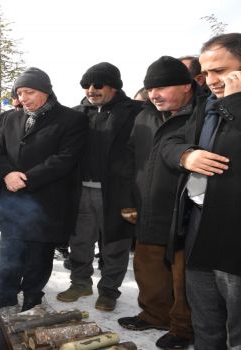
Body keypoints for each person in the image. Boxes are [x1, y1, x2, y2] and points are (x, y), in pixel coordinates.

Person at [160, 33, 241, 349]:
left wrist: (234, 103)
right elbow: (168, 142)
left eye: (220, 71)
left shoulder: (227, 104)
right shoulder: (206, 105)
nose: (211, 81)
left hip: (234, 239)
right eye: (206, 73)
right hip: (197, 229)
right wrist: (186, 155)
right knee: (206, 325)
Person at [0, 68, 88, 311]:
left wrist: (26, 178)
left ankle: (33, 296)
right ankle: (6, 292)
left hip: (47, 200)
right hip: (11, 199)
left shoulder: (71, 119)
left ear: (46, 91)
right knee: (9, 251)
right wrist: (6, 174)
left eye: (29, 92)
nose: (23, 98)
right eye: (20, 93)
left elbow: (66, 158)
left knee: (39, 254)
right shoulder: (7, 118)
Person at [118, 56, 195, 349]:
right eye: (151, 88)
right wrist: (129, 199)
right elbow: (128, 159)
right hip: (147, 205)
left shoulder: (202, 114)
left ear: (187, 86)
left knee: (182, 275)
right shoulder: (145, 115)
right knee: (147, 266)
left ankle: (183, 329)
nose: (155, 94)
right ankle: (154, 314)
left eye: (163, 87)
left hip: (183, 209)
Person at [57, 62, 142, 312]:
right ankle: (80, 282)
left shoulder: (136, 111)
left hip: (117, 192)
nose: (90, 90)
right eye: (85, 85)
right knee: (80, 241)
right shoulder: (76, 114)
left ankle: (108, 290)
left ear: (114, 86)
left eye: (97, 85)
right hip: (81, 190)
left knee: (115, 243)